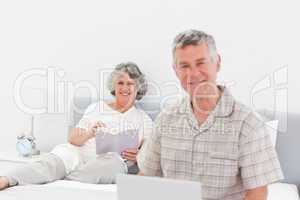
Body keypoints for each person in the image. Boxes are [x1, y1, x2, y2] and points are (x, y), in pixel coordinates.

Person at [138, 30, 283, 200]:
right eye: (184, 66)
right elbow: (146, 177)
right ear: (175, 70)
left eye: (201, 63)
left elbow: (257, 194)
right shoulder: (165, 118)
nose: (193, 74)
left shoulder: (248, 123)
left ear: (217, 63)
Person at [0, 62, 153, 190]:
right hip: (79, 154)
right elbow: (72, 139)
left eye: (130, 83)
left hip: (108, 162)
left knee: (112, 165)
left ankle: (60, 182)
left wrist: (139, 156)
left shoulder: (143, 119)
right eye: (120, 82)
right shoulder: (97, 108)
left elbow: (152, 156)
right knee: (54, 160)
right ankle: (7, 179)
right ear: (114, 86)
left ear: (138, 88)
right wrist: (89, 133)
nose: (124, 88)